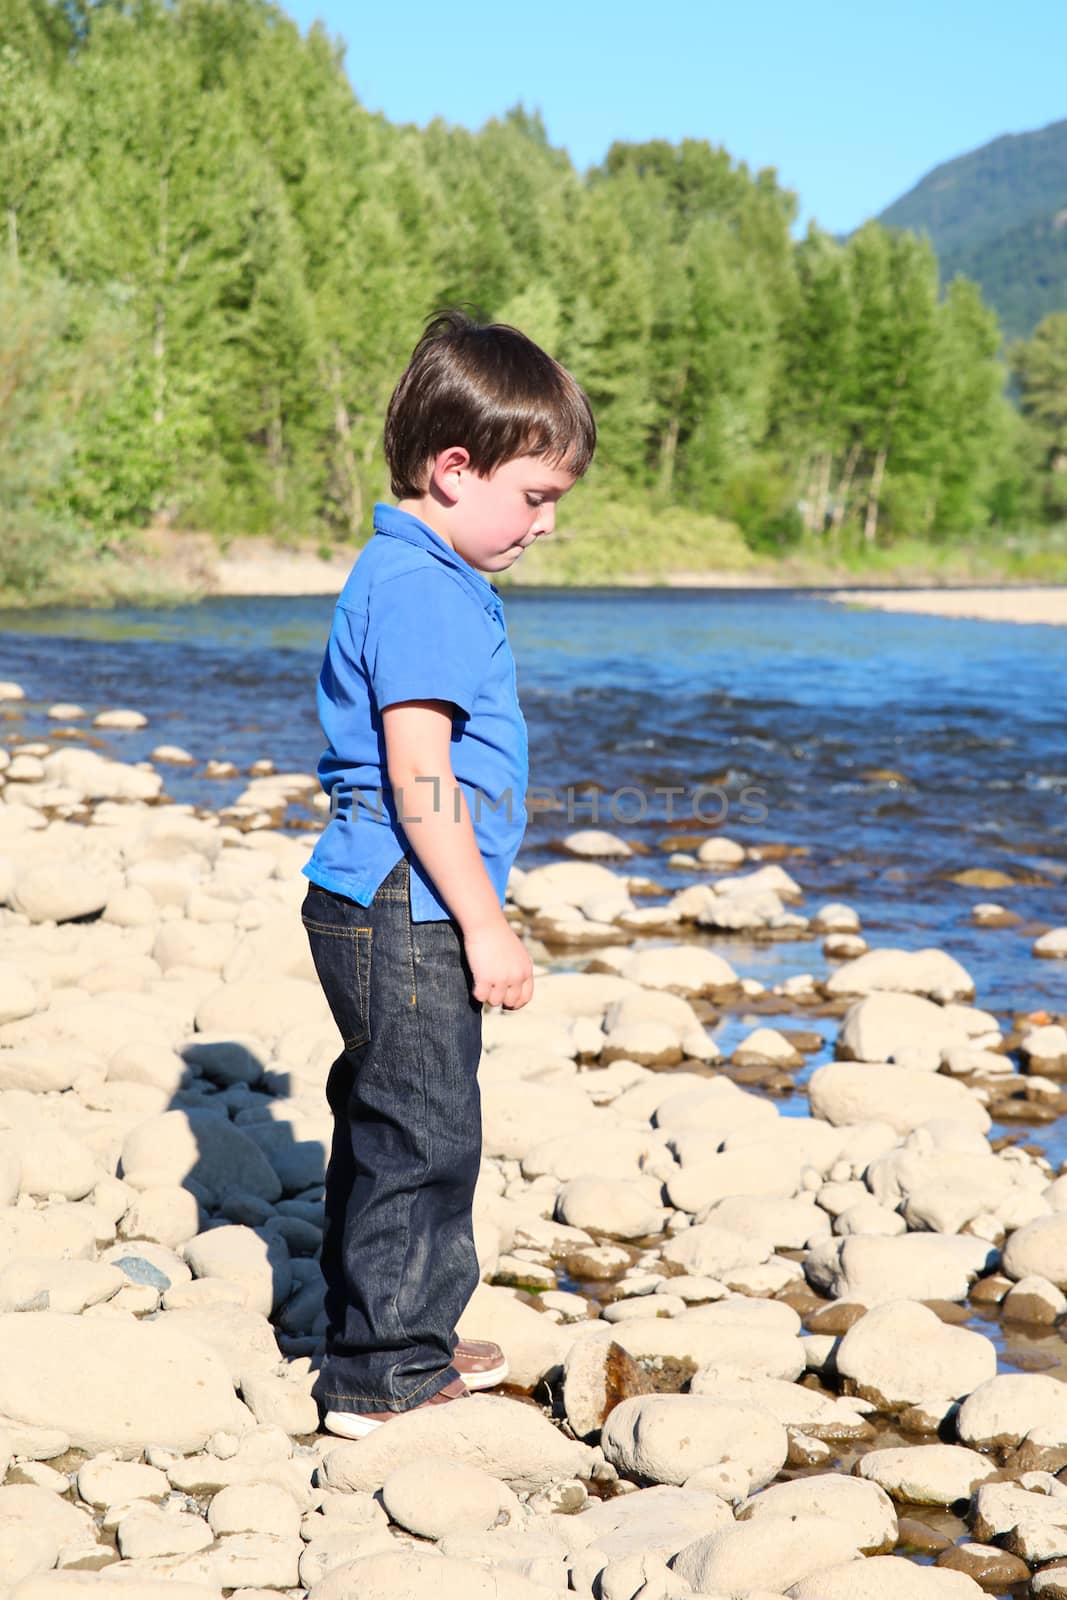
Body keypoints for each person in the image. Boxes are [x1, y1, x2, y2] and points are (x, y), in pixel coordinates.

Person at [300, 309, 596, 1437]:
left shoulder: (416, 567)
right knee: (423, 1128)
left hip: (384, 893)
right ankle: (381, 1372)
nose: (546, 522)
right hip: (403, 899)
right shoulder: (420, 585)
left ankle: (400, 1325)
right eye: (535, 496)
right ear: (453, 466)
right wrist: (486, 923)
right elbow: (417, 771)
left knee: (397, 1114)